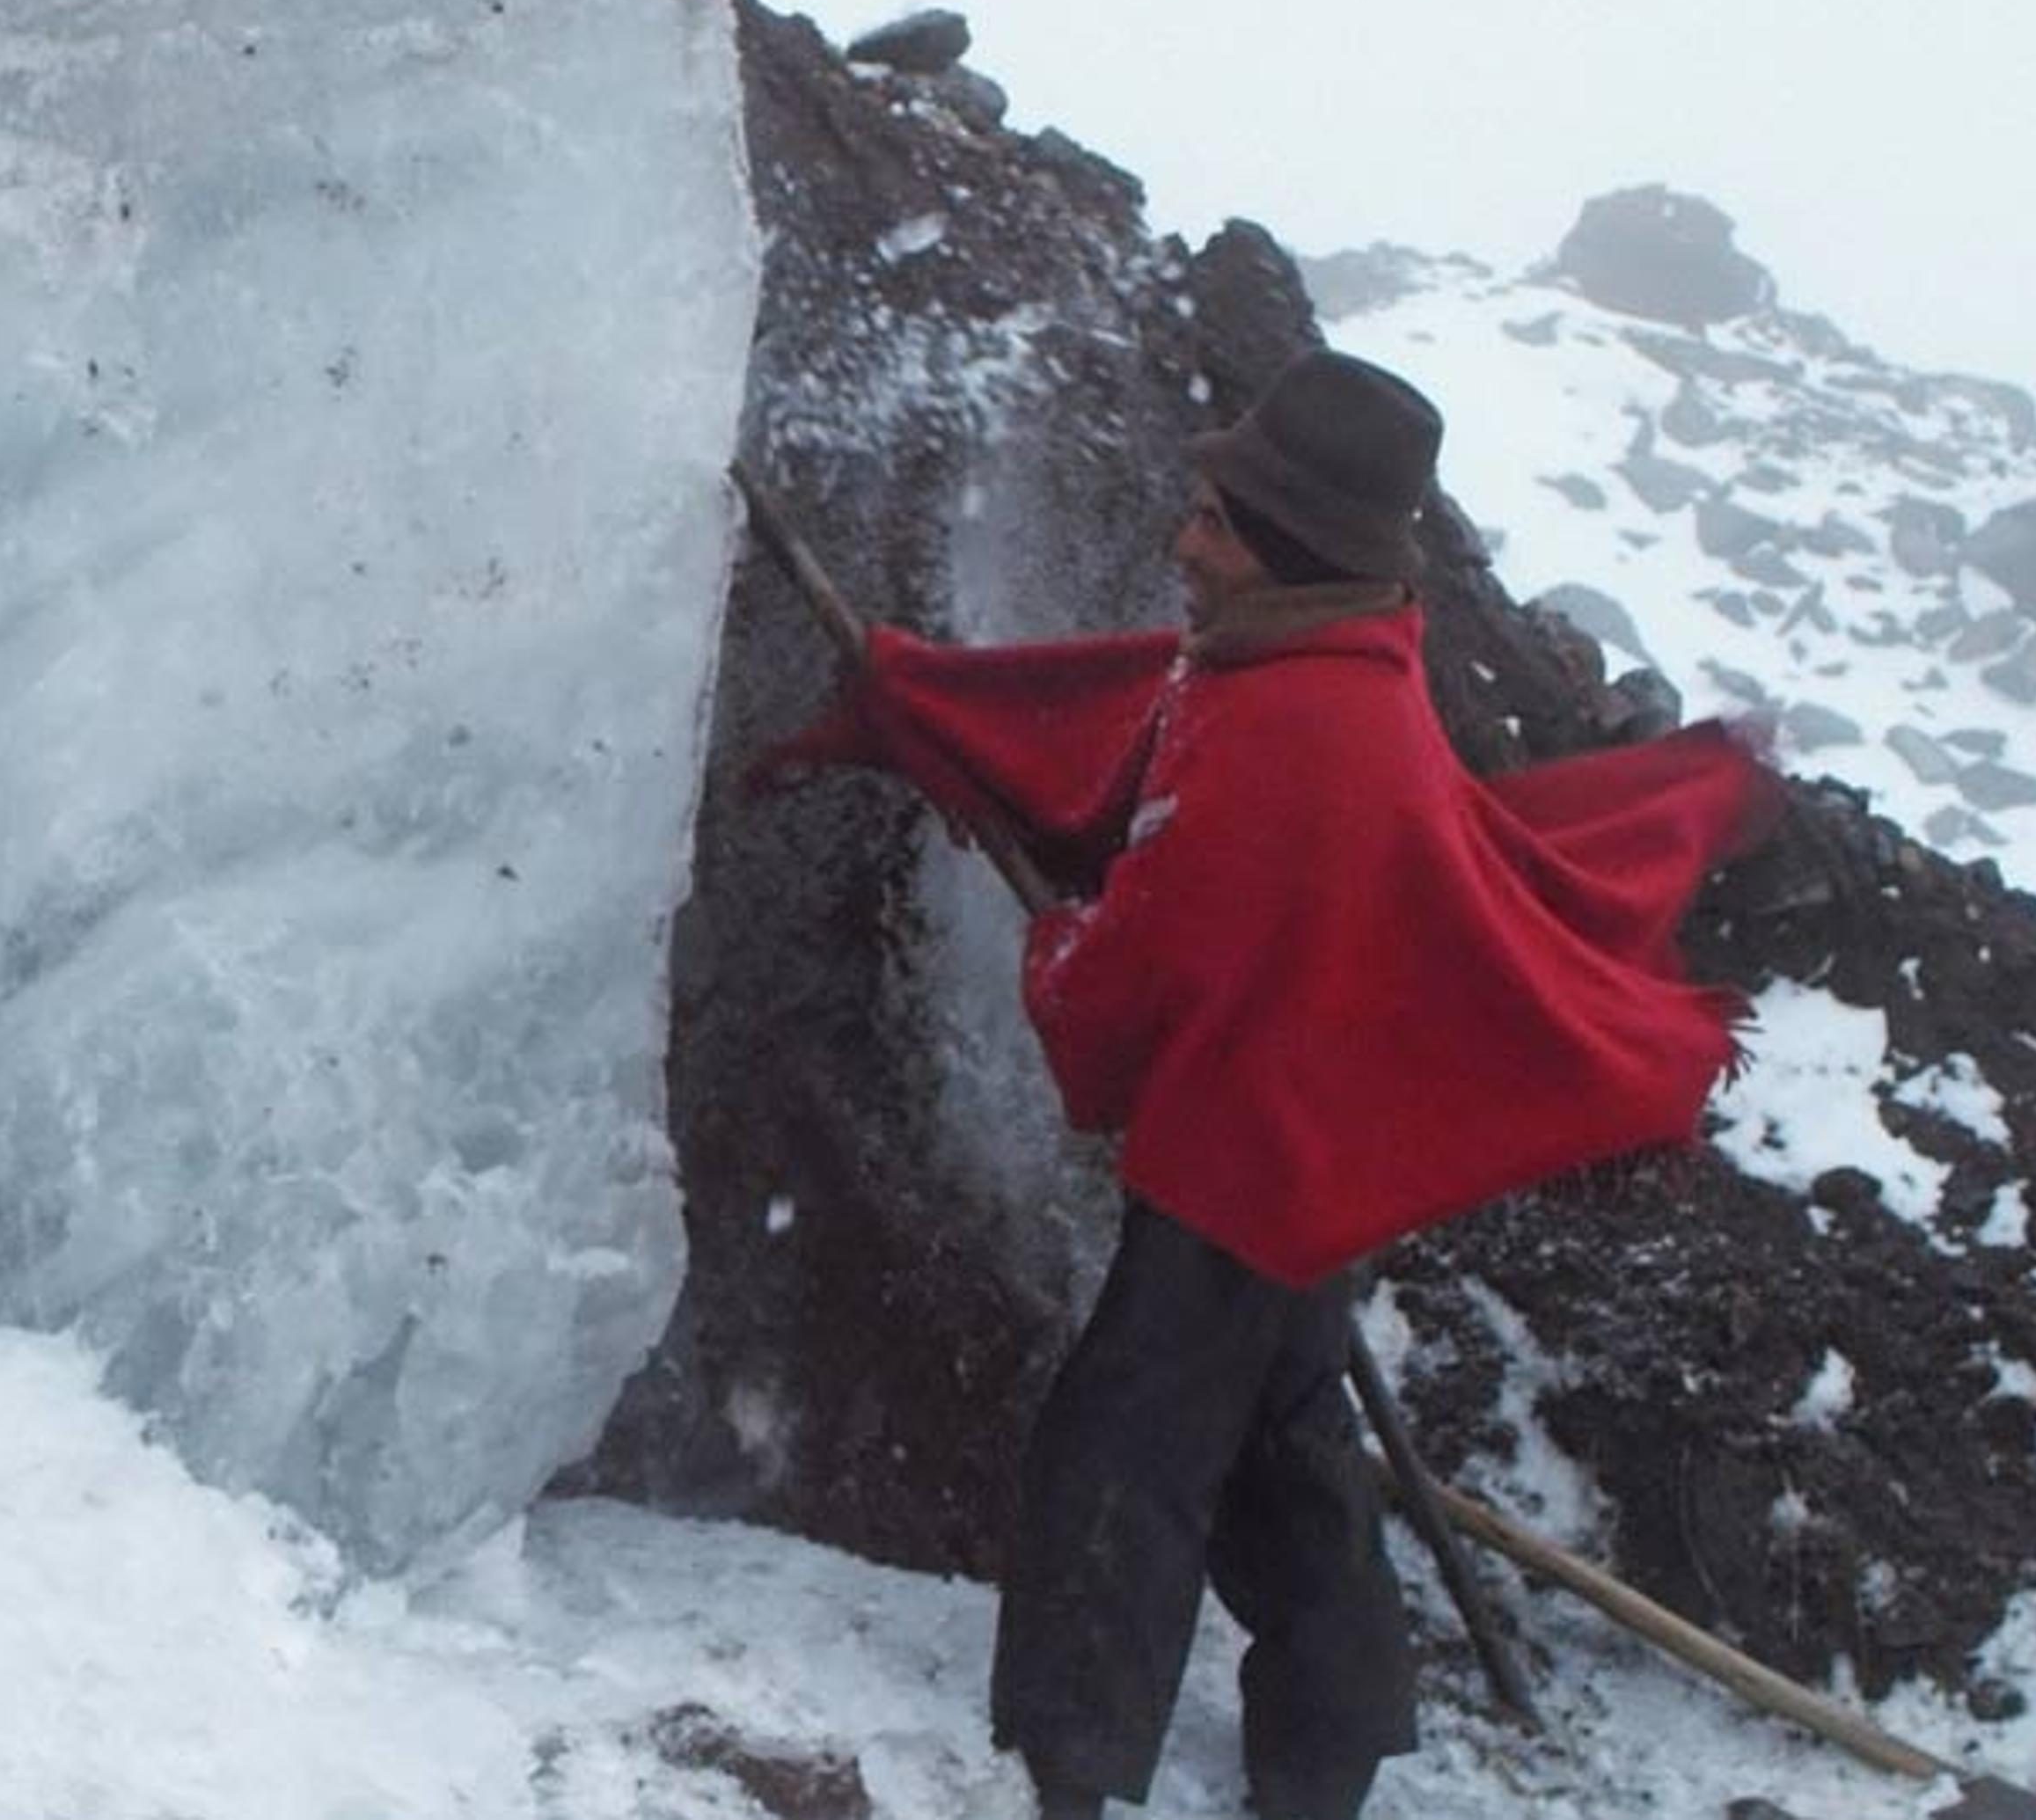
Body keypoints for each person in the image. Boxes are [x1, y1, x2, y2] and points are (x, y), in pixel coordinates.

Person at [758, 350, 1779, 1818]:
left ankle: (1074, 1755)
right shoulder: (1315, 668)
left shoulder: (1306, 726)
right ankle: (1332, 1738)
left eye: (1215, 522)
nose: (1185, 541)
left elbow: (1156, 950)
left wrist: (1062, 942)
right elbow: (1163, 786)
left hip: (1254, 1158)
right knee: (1285, 1437)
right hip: (1295, 1152)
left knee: (1131, 1441)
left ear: (1287, 545)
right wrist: (944, 708)